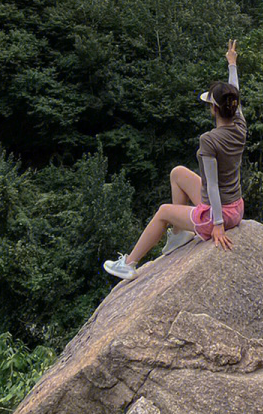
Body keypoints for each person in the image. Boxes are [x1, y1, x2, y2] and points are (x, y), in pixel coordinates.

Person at [103, 39, 246, 281]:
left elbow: (211, 185)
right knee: (177, 172)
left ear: (214, 109)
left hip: (219, 215)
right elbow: (235, 93)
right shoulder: (240, 125)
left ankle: (128, 264)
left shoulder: (209, 140)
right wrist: (232, 64)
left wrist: (218, 225)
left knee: (162, 212)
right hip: (236, 206)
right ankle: (179, 234)